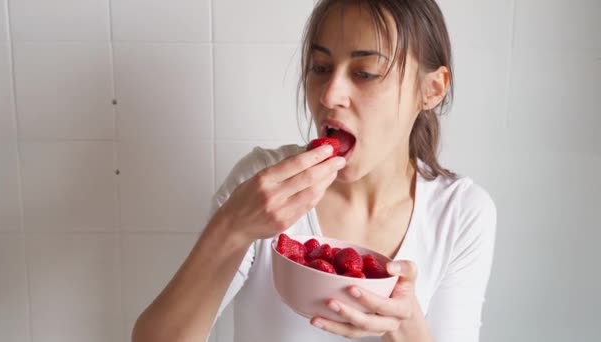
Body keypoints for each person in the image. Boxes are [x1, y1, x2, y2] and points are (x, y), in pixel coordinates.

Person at [132, 0, 497, 341]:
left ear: (431, 90)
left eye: (365, 72)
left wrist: (404, 322)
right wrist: (231, 228)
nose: (329, 95)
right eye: (320, 69)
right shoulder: (261, 184)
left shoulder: (462, 213)